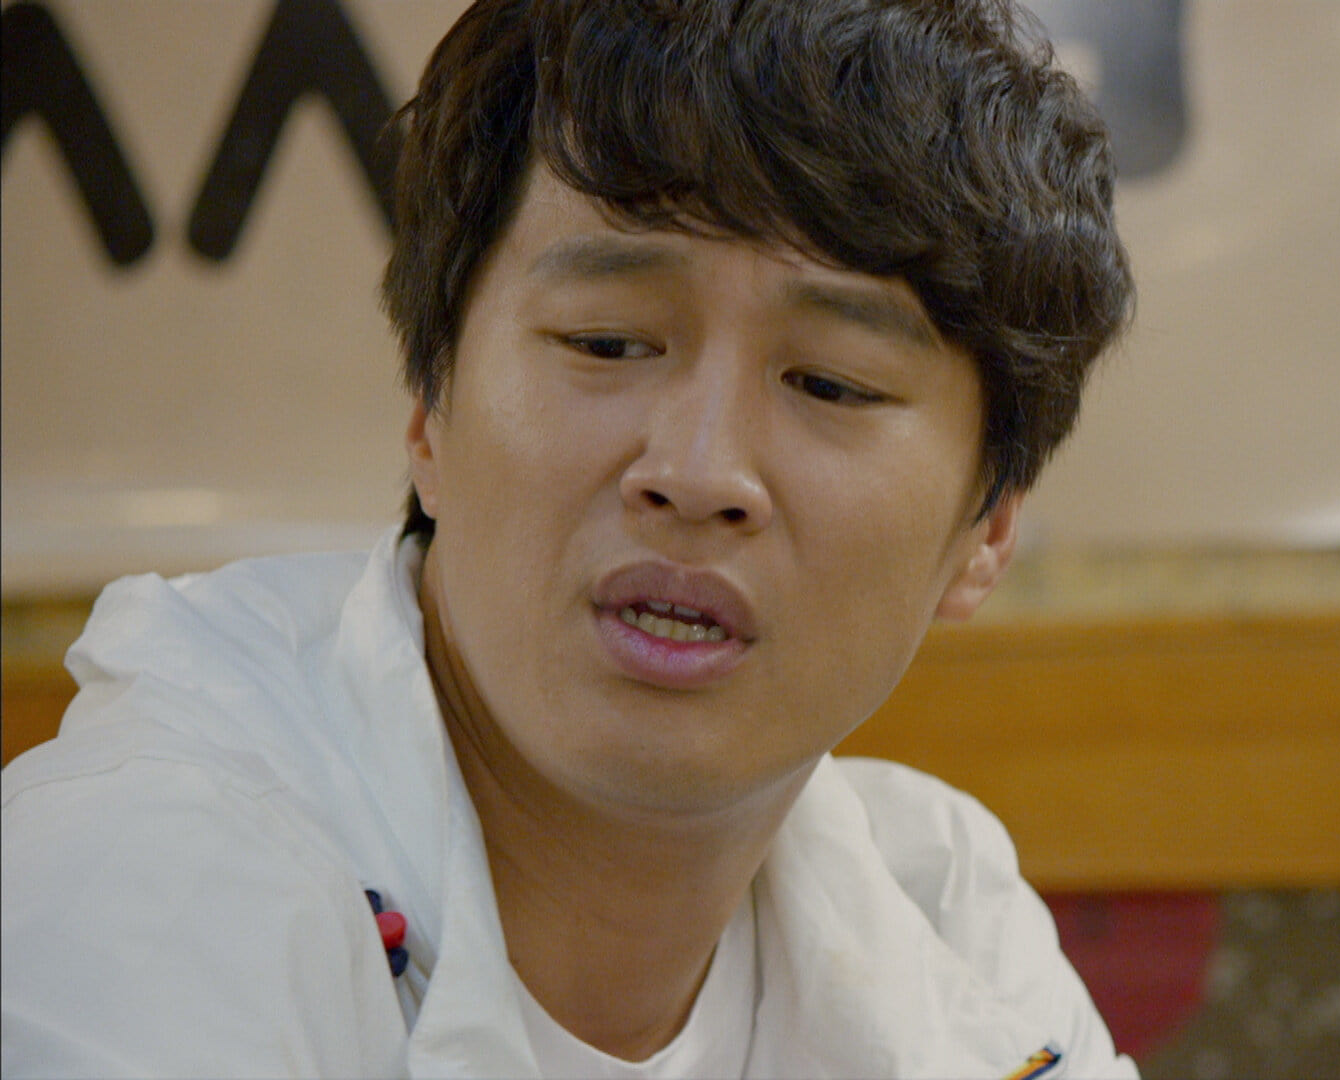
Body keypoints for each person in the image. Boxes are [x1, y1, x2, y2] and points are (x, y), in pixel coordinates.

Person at [1, 0, 1134, 1075]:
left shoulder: (947, 921)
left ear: (988, 527)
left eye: (832, 384)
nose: (697, 474)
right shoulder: (145, 880)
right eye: (606, 342)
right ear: (430, 410)